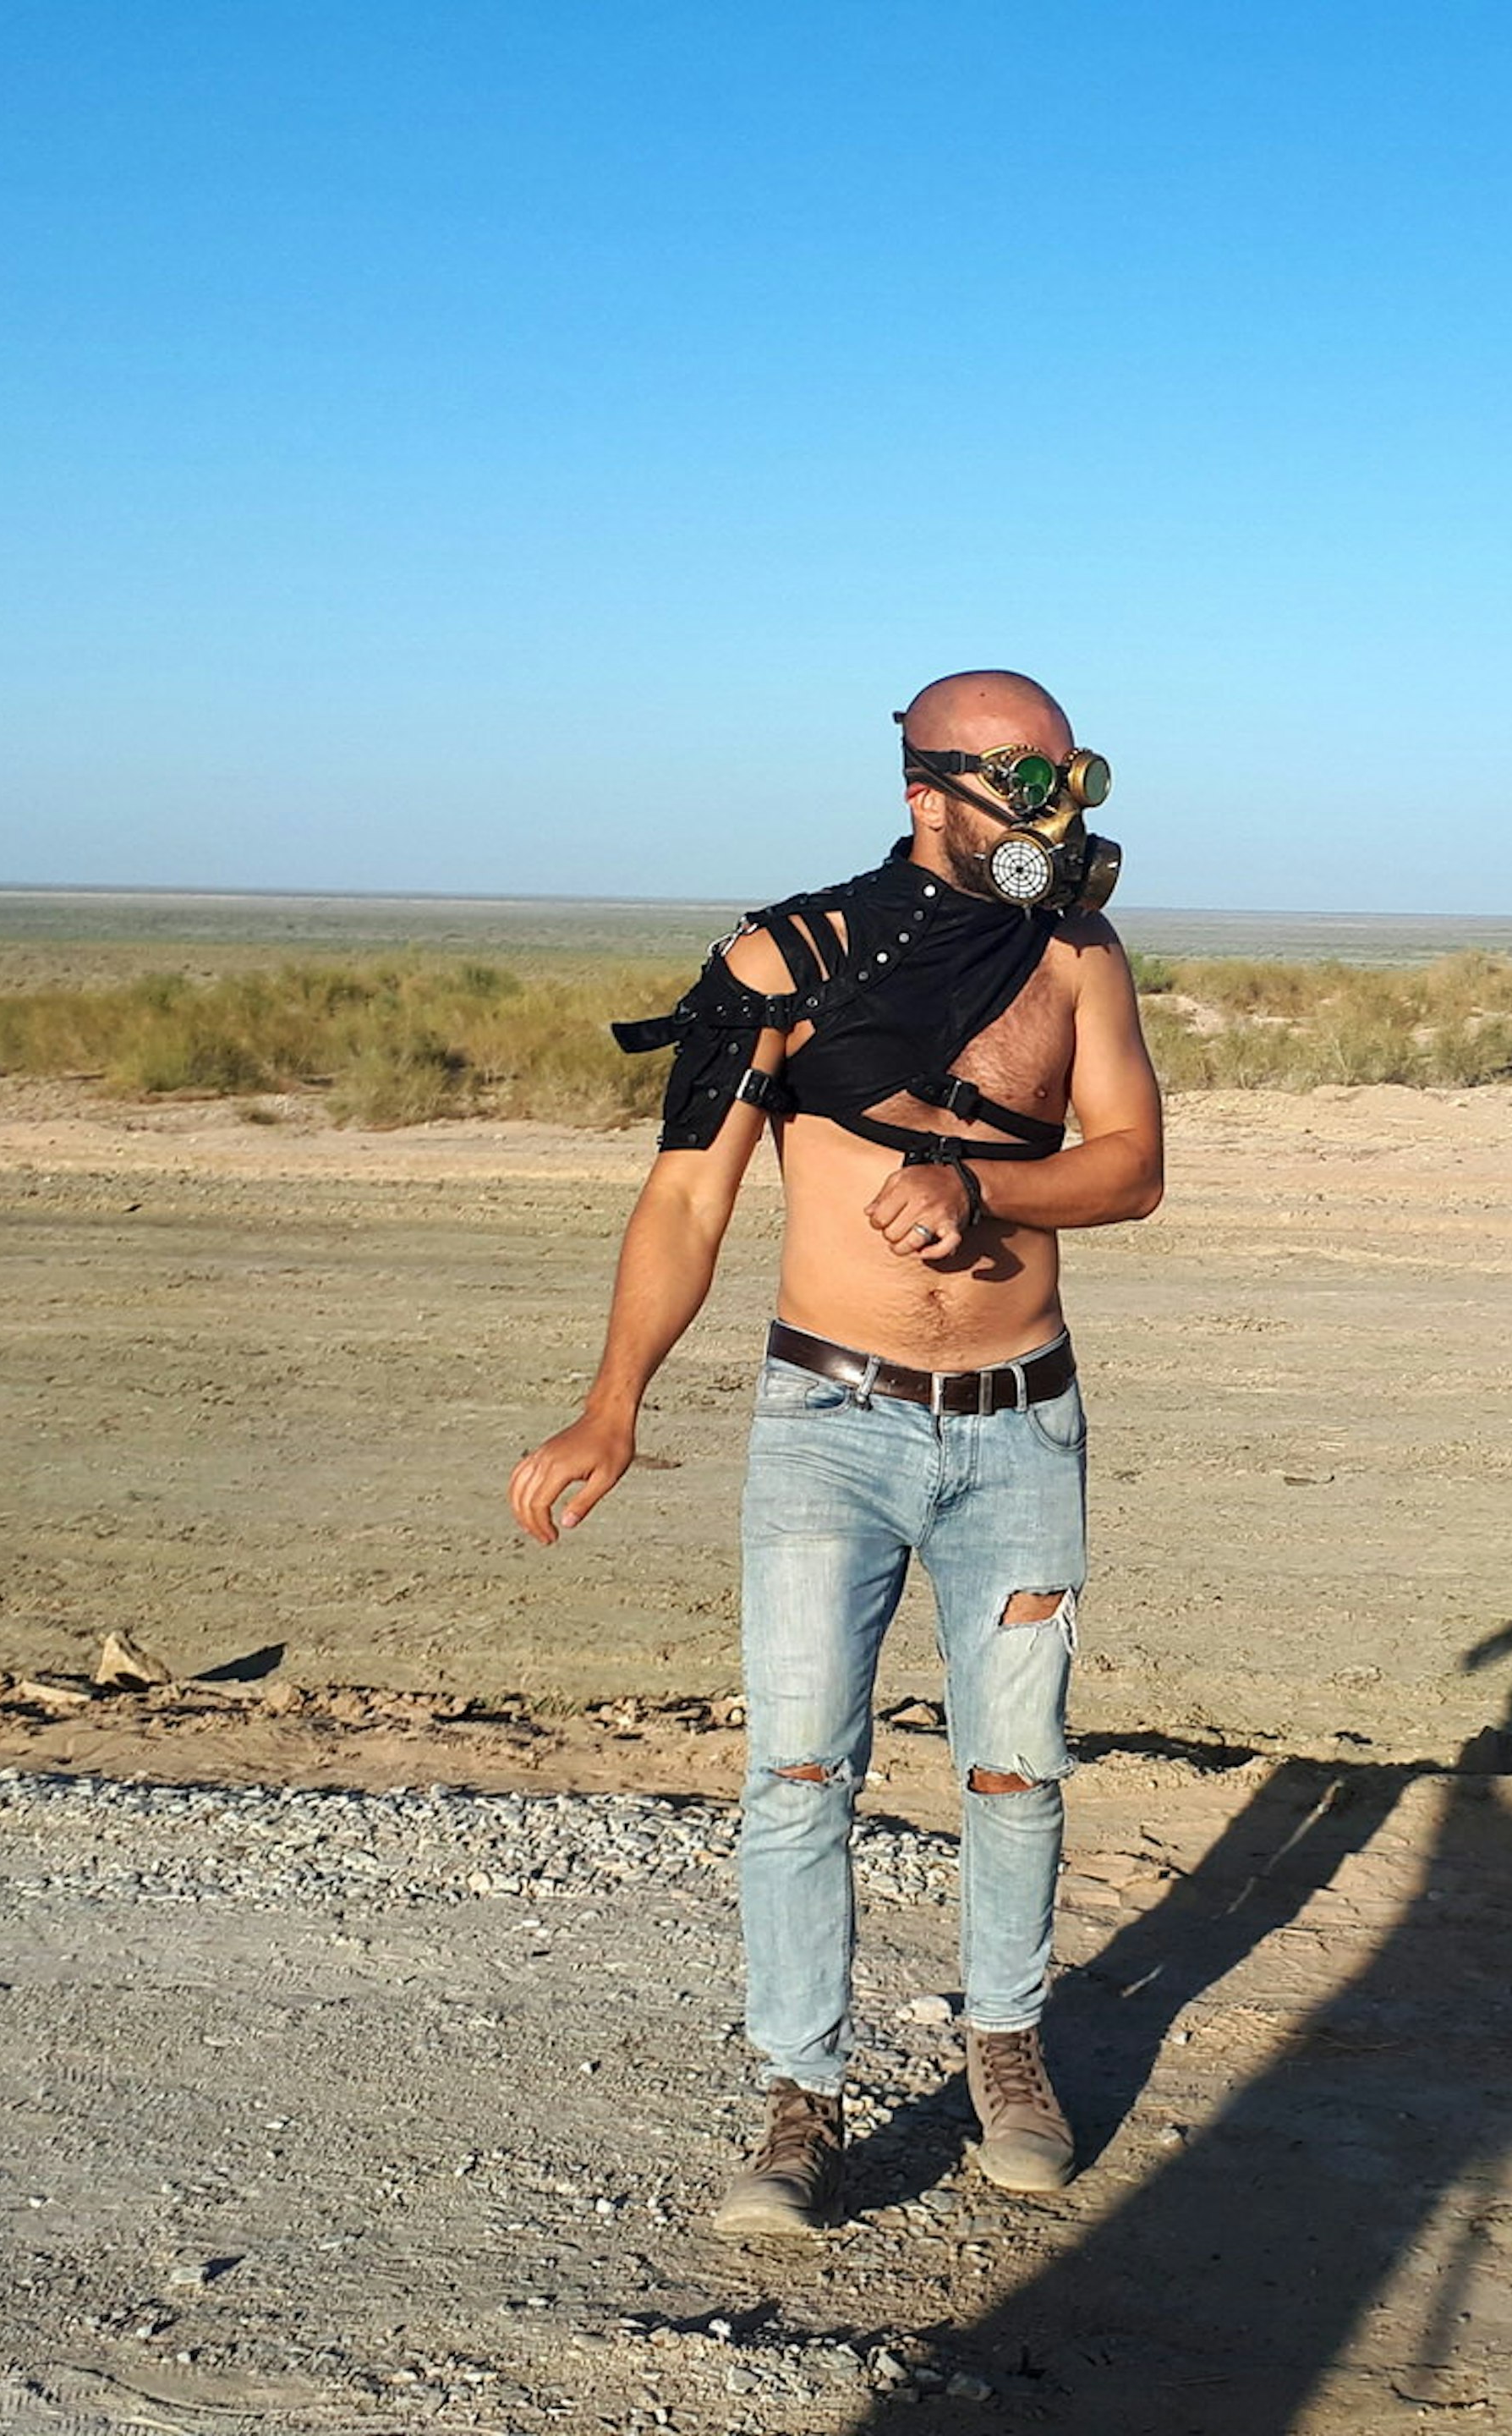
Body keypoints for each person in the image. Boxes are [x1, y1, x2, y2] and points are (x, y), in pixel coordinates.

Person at [508, 669, 1165, 2231]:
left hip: (1023, 1423)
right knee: (801, 1769)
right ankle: (801, 2098)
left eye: (1074, 782)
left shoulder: (1078, 955)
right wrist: (615, 1402)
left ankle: (1005, 2050)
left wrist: (989, 1193)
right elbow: (685, 1199)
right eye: (1026, 784)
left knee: (1018, 1771)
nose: (1056, 818)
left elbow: (1133, 1167)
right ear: (926, 790)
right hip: (831, 1425)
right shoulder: (773, 965)